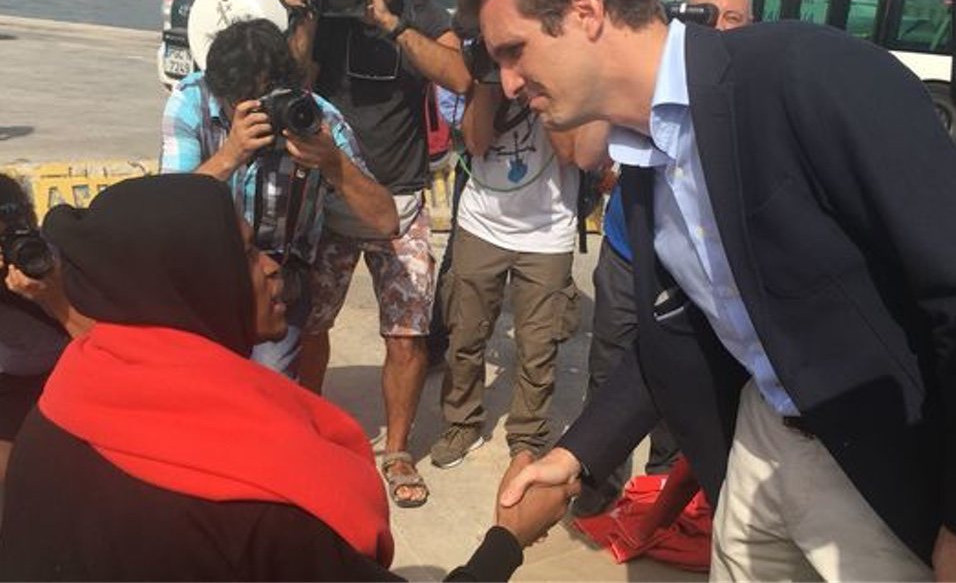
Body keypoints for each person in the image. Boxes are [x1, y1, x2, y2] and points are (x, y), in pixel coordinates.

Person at [459, 0, 956, 580]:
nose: (508, 84)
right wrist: (574, 457)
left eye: (515, 51)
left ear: (587, 11)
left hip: (882, 470)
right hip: (759, 448)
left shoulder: (809, 76)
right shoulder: (644, 152)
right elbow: (676, 333)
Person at [0, 173, 546, 581]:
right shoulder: (260, 509)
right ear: (188, 283)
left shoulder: (58, 411)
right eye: (242, 252)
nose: (269, 265)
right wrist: (508, 538)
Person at [278, 0, 472, 508]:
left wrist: (388, 22)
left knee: (408, 335)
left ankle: (397, 450)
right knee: (311, 325)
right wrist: (303, 15)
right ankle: (310, 429)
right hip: (330, 196)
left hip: (404, 196)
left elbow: (459, 75)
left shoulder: (417, 2)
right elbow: (290, 80)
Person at [574, 0, 754, 518]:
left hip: (696, 270)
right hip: (631, 257)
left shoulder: (753, 100)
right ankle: (599, 482)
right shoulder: (649, 85)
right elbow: (585, 155)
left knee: (684, 383)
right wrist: (612, 84)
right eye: (703, 16)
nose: (717, 29)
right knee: (611, 370)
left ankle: (662, 494)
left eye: (732, 20)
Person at [160, 18, 396, 380]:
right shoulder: (192, 100)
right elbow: (167, 212)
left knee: (268, 385)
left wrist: (334, 163)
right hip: (207, 271)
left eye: (267, 97)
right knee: (199, 381)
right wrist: (230, 154)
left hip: (278, 277)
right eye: (242, 101)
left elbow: (385, 221)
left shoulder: (315, 118)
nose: (258, 111)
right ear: (219, 91)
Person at [429, 72, 581, 469]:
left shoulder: (561, 70)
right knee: (465, 333)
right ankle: (462, 422)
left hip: (548, 232)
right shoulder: (486, 72)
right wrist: (487, 81)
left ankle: (527, 438)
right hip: (482, 224)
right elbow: (476, 144)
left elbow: (571, 153)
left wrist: (543, 83)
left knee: (538, 347)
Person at [428, 0, 506, 370]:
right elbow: (449, 101)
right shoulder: (457, 25)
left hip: (526, 168)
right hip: (474, 161)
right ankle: (440, 343)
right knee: (458, 260)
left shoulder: (529, 16)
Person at [0, 174, 92, 484]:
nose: (13, 244)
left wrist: (54, 294)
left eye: (19, 225)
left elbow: (106, 346)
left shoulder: (58, 257)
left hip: (68, 375)